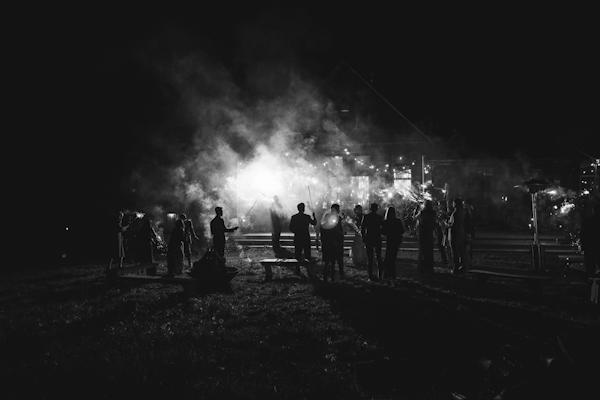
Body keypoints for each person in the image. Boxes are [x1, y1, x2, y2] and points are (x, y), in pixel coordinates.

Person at [289, 203, 317, 274]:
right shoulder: (307, 217)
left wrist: (296, 232)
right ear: (303, 208)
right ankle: (308, 269)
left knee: (297, 254)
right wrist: (314, 216)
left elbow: (290, 228)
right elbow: (314, 223)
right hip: (305, 237)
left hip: (298, 237)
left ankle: (297, 269)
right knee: (307, 254)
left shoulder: (294, 217)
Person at [321, 203, 345, 281]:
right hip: (334, 243)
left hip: (327, 243)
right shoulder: (335, 219)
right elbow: (337, 231)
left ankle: (327, 277)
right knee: (333, 260)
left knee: (328, 261)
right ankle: (332, 278)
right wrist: (341, 235)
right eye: (338, 209)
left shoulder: (324, 225)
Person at [381, 206, 405, 284]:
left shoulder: (386, 221)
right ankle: (392, 274)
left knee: (388, 256)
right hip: (396, 240)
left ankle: (387, 273)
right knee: (393, 257)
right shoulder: (397, 221)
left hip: (390, 240)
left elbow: (383, 232)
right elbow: (402, 231)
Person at [362, 203, 384, 281]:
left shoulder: (366, 217)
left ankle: (370, 275)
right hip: (377, 237)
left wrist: (364, 237)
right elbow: (383, 228)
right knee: (378, 256)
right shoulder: (379, 217)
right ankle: (380, 274)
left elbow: (363, 228)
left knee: (370, 257)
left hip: (369, 237)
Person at [415, 201, 437, 274]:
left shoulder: (423, 212)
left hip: (423, 233)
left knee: (423, 249)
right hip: (430, 232)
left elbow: (415, 218)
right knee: (429, 250)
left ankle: (422, 267)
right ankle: (429, 266)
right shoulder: (433, 212)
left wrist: (416, 211)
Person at [580, 203, 600, 277]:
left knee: (590, 271)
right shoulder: (588, 221)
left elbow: (582, 235)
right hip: (593, 249)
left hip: (590, 249)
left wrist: (584, 246)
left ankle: (591, 285)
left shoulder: (587, 221)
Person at [448, 198, 465, 274]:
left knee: (455, 252)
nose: (452, 204)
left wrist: (447, 224)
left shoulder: (456, 213)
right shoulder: (462, 212)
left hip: (455, 234)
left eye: (453, 203)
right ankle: (463, 266)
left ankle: (456, 269)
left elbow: (454, 225)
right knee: (460, 250)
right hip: (460, 233)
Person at [435, 201, 449, 265]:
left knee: (444, 246)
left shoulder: (445, 213)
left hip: (443, 232)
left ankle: (446, 259)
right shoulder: (438, 212)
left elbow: (445, 220)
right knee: (440, 246)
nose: (438, 206)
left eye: (439, 205)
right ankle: (444, 259)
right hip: (438, 231)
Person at [463, 199, 475, 270]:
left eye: (464, 203)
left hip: (467, 232)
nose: (463, 205)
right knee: (468, 248)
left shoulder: (467, 212)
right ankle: (469, 263)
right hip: (469, 232)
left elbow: (468, 223)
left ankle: (469, 264)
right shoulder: (470, 211)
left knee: (466, 249)